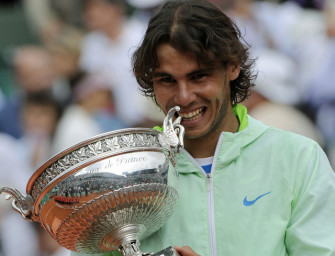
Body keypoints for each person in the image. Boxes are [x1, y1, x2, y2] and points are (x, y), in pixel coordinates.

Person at [72, 0, 335, 255]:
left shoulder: (299, 158)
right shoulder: (121, 174)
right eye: (167, 80)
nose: (184, 97)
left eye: (198, 76)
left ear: (233, 67)